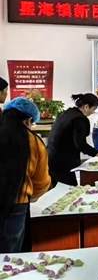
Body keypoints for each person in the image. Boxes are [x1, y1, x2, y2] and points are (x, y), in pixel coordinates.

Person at [0, 98, 50, 253]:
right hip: (17, 203)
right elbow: (41, 180)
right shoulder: (34, 142)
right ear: (29, 120)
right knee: (10, 251)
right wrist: (35, 195)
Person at [47, 93, 98, 186]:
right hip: (62, 161)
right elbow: (81, 144)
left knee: (58, 188)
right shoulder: (79, 119)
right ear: (86, 107)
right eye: (93, 109)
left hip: (51, 156)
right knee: (69, 189)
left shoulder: (67, 113)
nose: (93, 112)